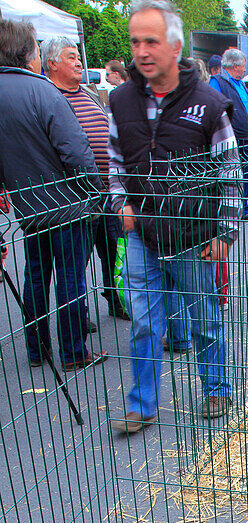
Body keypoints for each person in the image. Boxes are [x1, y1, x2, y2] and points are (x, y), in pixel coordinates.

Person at [107, 0, 242, 433]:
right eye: (135, 41)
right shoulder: (121, 100)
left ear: (175, 45)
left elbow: (231, 173)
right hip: (142, 233)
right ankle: (143, 404)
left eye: (152, 41)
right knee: (145, 323)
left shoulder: (208, 103)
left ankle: (217, 387)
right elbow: (113, 164)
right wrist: (120, 204)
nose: (142, 51)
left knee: (204, 319)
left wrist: (226, 231)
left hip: (192, 235)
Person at [0, 18, 101, 371]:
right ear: (30, 54)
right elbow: (77, 151)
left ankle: (36, 348)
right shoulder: (44, 91)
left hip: (29, 209)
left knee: (36, 277)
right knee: (71, 279)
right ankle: (73, 351)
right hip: (66, 205)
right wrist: (94, 190)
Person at [43, 35, 128, 321]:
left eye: (78, 56)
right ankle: (78, 315)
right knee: (77, 262)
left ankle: (116, 298)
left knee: (112, 249)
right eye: (71, 57)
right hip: (78, 194)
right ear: (52, 63)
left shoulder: (89, 94)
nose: (79, 62)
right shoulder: (51, 97)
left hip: (106, 189)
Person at [209, 48, 248, 216]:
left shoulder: (240, 83)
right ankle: (230, 212)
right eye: (243, 66)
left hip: (244, 136)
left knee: (245, 174)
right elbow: (213, 110)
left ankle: (244, 209)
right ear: (235, 66)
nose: (244, 69)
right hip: (231, 138)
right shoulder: (217, 82)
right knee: (232, 176)